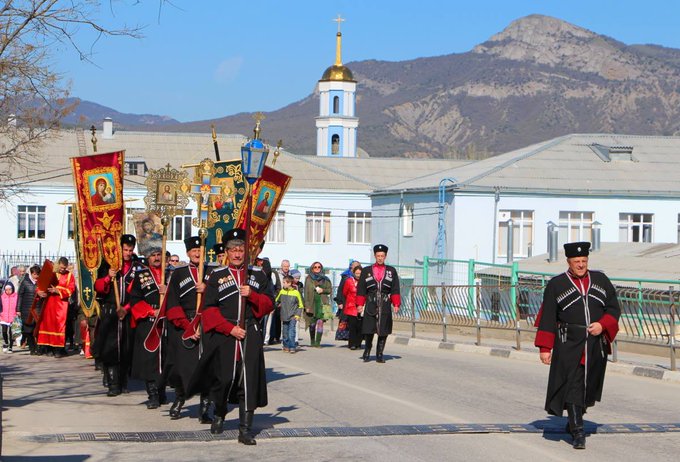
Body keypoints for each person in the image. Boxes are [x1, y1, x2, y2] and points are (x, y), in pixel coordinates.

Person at [188, 228, 274, 442]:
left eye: (241, 249)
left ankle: (245, 429)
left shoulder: (257, 275)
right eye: (233, 250)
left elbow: (269, 304)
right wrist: (229, 328)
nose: (237, 254)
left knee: (248, 380)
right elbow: (208, 309)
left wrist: (252, 295)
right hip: (225, 334)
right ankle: (219, 413)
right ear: (226, 252)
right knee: (224, 378)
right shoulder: (217, 276)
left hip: (250, 333)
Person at [534, 241, 621, 450]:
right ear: (568, 262)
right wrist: (545, 348)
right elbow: (547, 317)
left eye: (584, 260)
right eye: (576, 261)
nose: (581, 265)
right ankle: (578, 431)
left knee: (587, 386)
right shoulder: (556, 284)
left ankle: (574, 420)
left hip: (594, 345)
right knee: (572, 385)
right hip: (568, 344)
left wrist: (603, 324)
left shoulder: (600, 279)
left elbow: (614, 308)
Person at [162, 236, 212, 422]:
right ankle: (180, 400)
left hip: (207, 323)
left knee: (207, 368)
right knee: (183, 368)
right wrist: (188, 326)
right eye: (194, 251)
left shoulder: (213, 271)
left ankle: (205, 408)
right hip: (185, 324)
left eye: (200, 250)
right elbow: (172, 304)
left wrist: (206, 289)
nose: (197, 253)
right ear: (188, 253)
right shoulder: (179, 273)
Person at [93, 234, 137, 396]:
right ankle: (113, 383)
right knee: (110, 349)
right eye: (125, 249)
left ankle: (123, 381)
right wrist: (108, 277)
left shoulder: (136, 268)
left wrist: (126, 308)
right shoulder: (108, 266)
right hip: (111, 312)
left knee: (126, 349)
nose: (127, 253)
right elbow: (98, 287)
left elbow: (137, 292)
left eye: (130, 250)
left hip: (128, 312)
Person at [129, 247, 168, 409]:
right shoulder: (140, 276)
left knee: (164, 357)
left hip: (166, 319)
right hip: (148, 319)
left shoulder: (171, 273)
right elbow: (135, 300)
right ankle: (152, 393)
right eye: (153, 255)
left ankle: (162, 390)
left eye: (159, 254)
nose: (156, 258)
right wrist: (151, 311)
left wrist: (167, 291)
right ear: (148, 257)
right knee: (149, 357)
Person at [356, 245, 401, 363]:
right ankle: (367, 350)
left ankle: (379, 354)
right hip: (371, 302)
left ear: (385, 256)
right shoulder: (366, 271)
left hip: (385, 303)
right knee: (369, 329)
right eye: (378, 256)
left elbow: (395, 288)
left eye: (382, 256)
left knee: (383, 329)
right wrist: (360, 305)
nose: (380, 258)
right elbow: (361, 289)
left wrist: (396, 304)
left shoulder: (391, 271)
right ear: (374, 256)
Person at [36, 257, 76, 358]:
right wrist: (39, 292)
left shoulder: (69, 275)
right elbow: (40, 285)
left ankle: (58, 349)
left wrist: (57, 291)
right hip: (49, 303)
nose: (62, 270)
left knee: (59, 326)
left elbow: (71, 289)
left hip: (61, 305)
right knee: (48, 324)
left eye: (64, 268)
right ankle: (48, 348)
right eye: (61, 267)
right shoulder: (51, 272)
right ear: (58, 264)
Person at [303, 261, 332, 347]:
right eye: (315, 267)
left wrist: (323, 290)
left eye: (319, 267)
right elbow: (306, 292)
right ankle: (312, 341)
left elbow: (329, 290)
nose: (317, 269)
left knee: (320, 322)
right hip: (312, 303)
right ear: (312, 268)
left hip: (322, 303)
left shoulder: (325, 279)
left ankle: (318, 342)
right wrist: (307, 305)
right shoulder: (308, 278)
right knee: (312, 323)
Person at [275, 275, 303, 353]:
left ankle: (292, 346)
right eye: (283, 282)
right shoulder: (282, 292)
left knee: (291, 332)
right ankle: (286, 346)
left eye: (284, 282)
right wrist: (276, 306)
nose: (283, 284)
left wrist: (297, 315)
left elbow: (300, 305)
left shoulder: (296, 293)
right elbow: (277, 301)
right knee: (285, 333)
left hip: (293, 316)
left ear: (290, 283)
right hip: (284, 315)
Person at [18, 265, 40, 354]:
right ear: (31, 274)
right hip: (26, 309)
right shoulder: (25, 282)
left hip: (37, 309)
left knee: (37, 330)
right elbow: (20, 296)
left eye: (38, 274)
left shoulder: (41, 283)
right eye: (34, 274)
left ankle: (38, 348)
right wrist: (18, 309)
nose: (36, 276)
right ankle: (32, 348)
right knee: (28, 330)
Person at [342, 264, 363, 350]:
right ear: (353, 273)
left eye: (360, 273)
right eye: (357, 273)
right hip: (351, 307)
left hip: (361, 306)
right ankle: (352, 344)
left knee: (360, 326)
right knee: (353, 326)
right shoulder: (349, 281)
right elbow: (345, 292)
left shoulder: (364, 282)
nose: (358, 275)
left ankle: (358, 343)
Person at [1, 283, 18, 353]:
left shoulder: (16, 296)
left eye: (10, 289)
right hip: (3, 316)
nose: (8, 291)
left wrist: (18, 312)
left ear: (12, 289)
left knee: (11, 332)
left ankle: (10, 347)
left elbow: (18, 305)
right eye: (6, 290)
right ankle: (6, 343)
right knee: (4, 331)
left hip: (13, 316)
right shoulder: (2, 296)